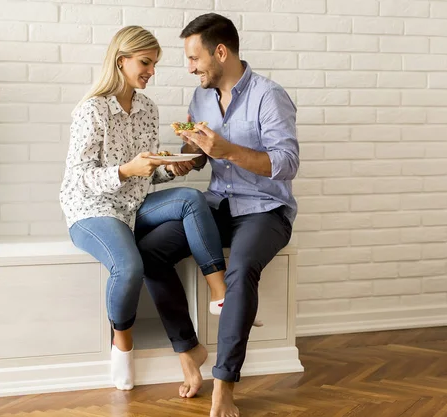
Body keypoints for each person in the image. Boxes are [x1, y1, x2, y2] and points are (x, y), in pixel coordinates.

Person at [145, 13, 299, 417]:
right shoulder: (200, 98)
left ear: (220, 51)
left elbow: (286, 164)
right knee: (150, 252)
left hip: (265, 210)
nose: (190, 67)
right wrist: (186, 161)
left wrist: (226, 149)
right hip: (217, 206)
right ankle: (188, 349)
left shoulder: (270, 95)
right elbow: (204, 155)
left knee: (242, 266)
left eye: (195, 58)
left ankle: (225, 385)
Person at [59, 25, 227, 395]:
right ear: (122, 61)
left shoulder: (147, 109)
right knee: (131, 265)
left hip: (133, 205)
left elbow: (146, 174)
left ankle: (220, 292)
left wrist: (172, 167)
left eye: (154, 63)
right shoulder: (92, 110)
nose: (151, 70)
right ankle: (122, 346)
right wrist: (124, 170)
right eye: (145, 62)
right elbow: (80, 176)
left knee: (190, 198)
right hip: (92, 209)